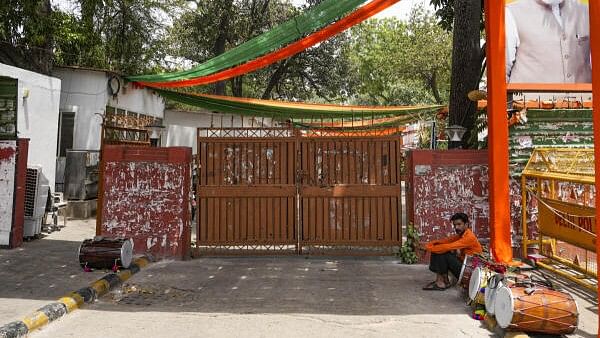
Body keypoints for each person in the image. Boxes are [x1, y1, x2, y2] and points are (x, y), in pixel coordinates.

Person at [505, 0, 591, 84]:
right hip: (527, 98)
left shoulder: (587, 11)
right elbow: (501, 73)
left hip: (585, 98)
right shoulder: (512, 13)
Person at [422, 213, 483, 291]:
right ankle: (444, 280)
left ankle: (441, 282)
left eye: (459, 224)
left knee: (442, 251)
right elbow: (444, 241)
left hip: (469, 273)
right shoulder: (461, 234)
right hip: (463, 266)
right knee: (439, 248)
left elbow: (447, 247)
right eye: (454, 225)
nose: (456, 227)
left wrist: (428, 248)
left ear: (466, 224)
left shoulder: (469, 237)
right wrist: (429, 245)